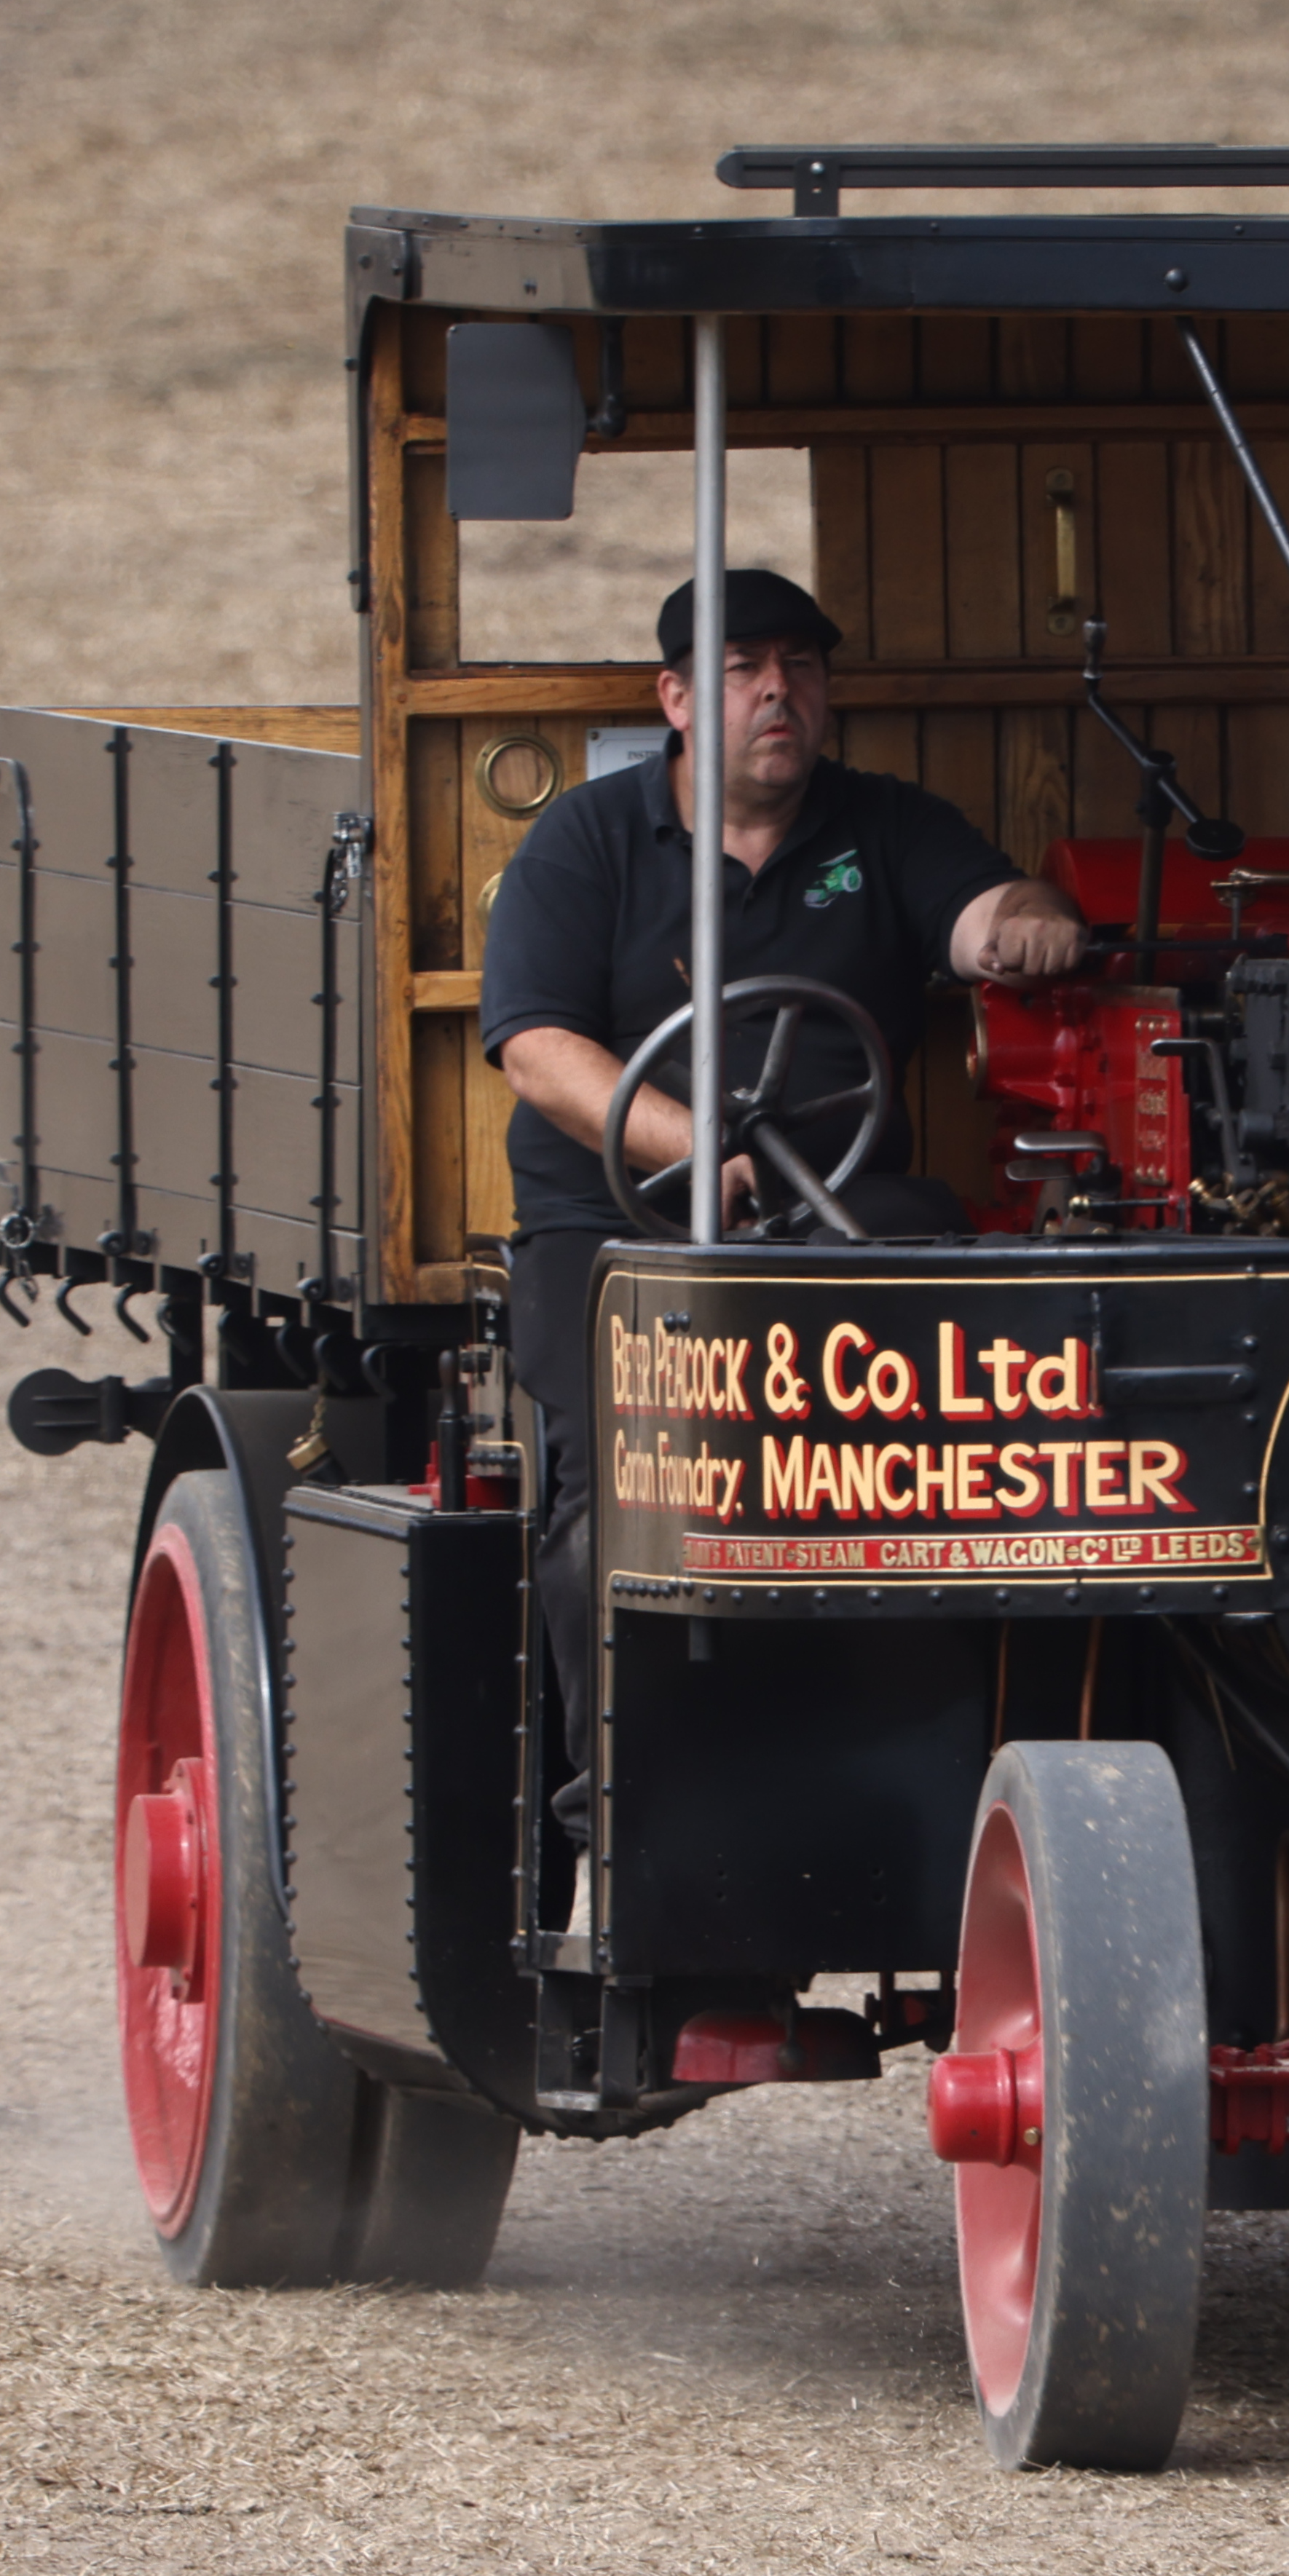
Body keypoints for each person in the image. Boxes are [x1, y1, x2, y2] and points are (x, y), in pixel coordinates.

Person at [478, 567, 1088, 1799]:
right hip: (620, 1230)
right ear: (678, 697)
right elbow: (538, 1051)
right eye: (745, 669)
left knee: (991, 1429)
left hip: (835, 1213)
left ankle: (952, 1755)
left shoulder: (884, 826)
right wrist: (693, 1145)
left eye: (800, 668)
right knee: (615, 1490)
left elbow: (976, 915)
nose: (776, 692)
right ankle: (627, 1782)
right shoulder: (585, 841)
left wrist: (1024, 921)